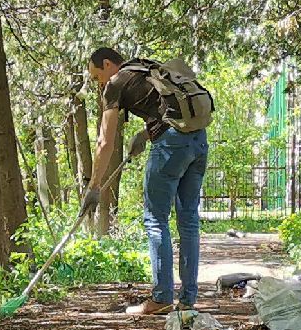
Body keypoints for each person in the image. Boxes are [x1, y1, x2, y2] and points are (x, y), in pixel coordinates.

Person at [82, 45, 208, 316]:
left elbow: (104, 141)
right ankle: (188, 299)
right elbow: (165, 109)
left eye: (97, 76)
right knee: (188, 220)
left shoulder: (115, 83)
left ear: (107, 64)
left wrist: (94, 186)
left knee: (155, 220)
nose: (99, 84)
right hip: (199, 140)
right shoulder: (145, 68)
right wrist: (145, 134)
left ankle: (162, 298)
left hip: (171, 147)